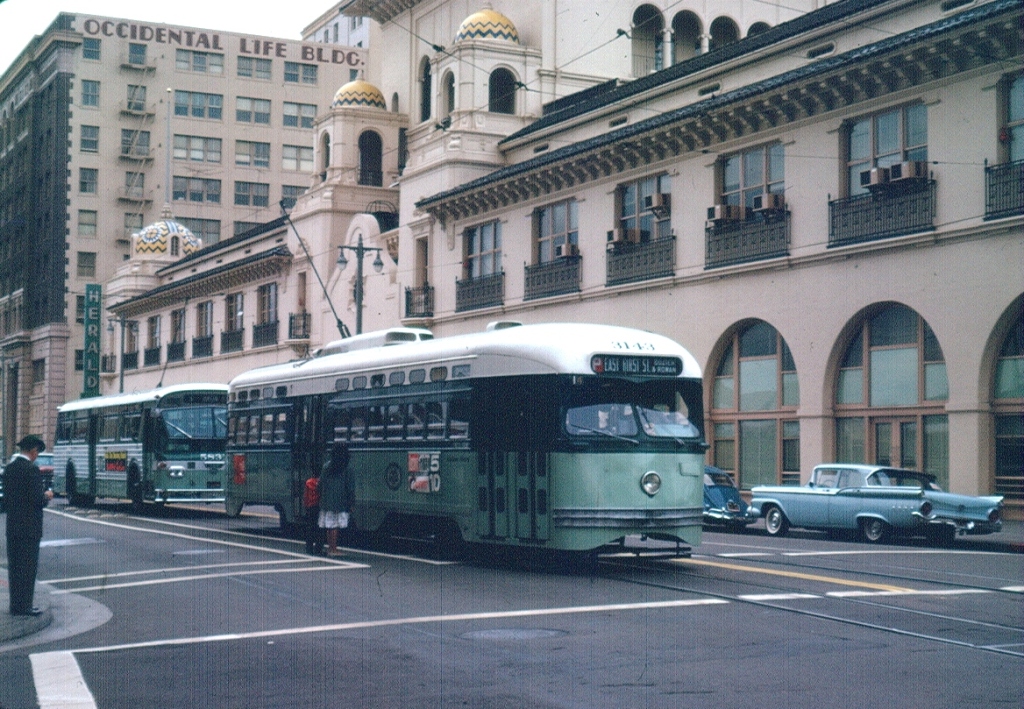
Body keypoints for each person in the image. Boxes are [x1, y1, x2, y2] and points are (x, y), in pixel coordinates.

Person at [4, 435, 53, 617]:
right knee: (28, 569)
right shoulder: (31, 470)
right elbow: (37, 500)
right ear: (33, 452)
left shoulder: (9, 469)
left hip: (13, 527)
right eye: (37, 453)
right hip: (29, 529)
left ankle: (15, 606)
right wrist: (47, 496)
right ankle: (25, 606)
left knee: (15, 569)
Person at [318, 443, 352, 556]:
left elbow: (320, 484)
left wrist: (321, 495)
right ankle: (334, 549)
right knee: (335, 525)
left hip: (326, 500)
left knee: (329, 525)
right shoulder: (347, 468)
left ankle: (330, 547)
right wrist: (351, 501)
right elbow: (350, 487)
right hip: (340, 500)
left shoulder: (326, 466)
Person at [302, 470, 324, 556]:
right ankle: (318, 549)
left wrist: (306, 506)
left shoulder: (308, 482)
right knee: (319, 529)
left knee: (310, 528)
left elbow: (305, 496)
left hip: (310, 507)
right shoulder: (321, 483)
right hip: (319, 507)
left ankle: (309, 548)